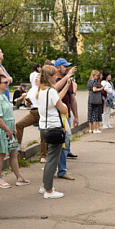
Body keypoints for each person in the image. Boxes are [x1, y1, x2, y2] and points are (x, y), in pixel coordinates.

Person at [38, 65, 71, 199]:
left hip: (45, 128)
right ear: (50, 77)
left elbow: (57, 98)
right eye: (55, 75)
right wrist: (63, 107)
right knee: (52, 160)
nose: (57, 77)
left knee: (49, 159)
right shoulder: (51, 92)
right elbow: (62, 108)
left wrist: (67, 86)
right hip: (54, 128)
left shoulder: (42, 91)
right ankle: (48, 190)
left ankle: (44, 185)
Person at [0, 75, 29, 188]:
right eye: (5, 82)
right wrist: (7, 129)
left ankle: (19, 177)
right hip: (3, 129)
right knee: (1, 154)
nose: (7, 84)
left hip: (9, 128)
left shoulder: (3, 97)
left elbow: (9, 114)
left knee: (14, 153)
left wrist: (14, 127)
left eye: (7, 82)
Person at [15, 71, 47, 164]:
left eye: (39, 77)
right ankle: (18, 145)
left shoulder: (44, 89)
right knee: (19, 124)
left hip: (42, 113)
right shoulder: (32, 90)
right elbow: (27, 103)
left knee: (43, 134)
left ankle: (43, 155)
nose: (37, 79)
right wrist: (27, 103)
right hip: (33, 112)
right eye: (36, 77)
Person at [53, 58, 78, 179]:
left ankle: (62, 170)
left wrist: (76, 116)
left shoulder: (68, 81)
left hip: (66, 117)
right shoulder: (52, 80)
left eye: (68, 66)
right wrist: (67, 76)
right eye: (65, 66)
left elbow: (72, 99)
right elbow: (55, 89)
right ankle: (53, 168)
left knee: (65, 144)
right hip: (54, 117)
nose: (67, 68)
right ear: (58, 67)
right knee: (54, 145)